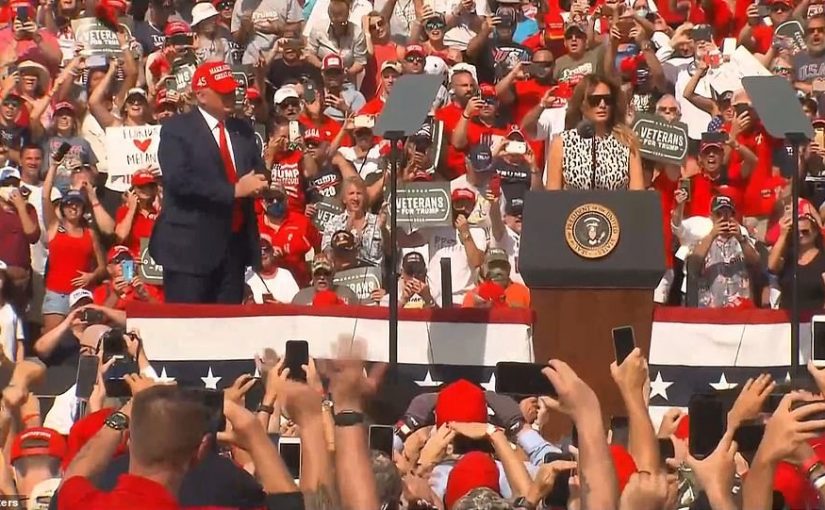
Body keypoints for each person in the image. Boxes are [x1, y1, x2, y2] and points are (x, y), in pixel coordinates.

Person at [150, 61, 269, 304]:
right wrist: (233, 190)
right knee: (189, 321)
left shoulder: (242, 129)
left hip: (233, 249)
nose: (231, 96)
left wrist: (264, 184)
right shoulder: (177, 129)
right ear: (202, 96)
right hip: (190, 250)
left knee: (227, 322)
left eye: (232, 90)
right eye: (223, 91)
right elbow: (179, 180)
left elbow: (257, 169)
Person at [546, 74, 644, 191]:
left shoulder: (627, 142)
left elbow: (637, 196)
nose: (602, 105)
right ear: (582, 104)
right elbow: (553, 195)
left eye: (607, 100)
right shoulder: (561, 143)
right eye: (594, 101)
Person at [688, 195, 761, 308]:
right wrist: (712, 235)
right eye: (719, 214)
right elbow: (693, 265)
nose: (724, 218)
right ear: (712, 217)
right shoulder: (703, 241)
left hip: (740, 308)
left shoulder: (743, 240)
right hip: (711, 310)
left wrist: (741, 238)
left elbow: (756, 263)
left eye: (728, 214)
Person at [321, 176, 386, 267]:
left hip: (372, 273)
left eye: (359, 193)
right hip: (344, 274)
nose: (355, 198)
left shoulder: (377, 221)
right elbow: (328, 255)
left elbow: (390, 252)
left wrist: (383, 229)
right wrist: (346, 233)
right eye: (351, 193)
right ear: (344, 199)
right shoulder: (333, 224)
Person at [768, 211, 825, 310]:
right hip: (786, 315)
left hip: (814, 315)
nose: (800, 235)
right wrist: (783, 234)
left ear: (815, 233)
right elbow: (771, 266)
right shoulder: (788, 257)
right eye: (796, 232)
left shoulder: (823, 259)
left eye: (805, 231)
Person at [114, 169, 160, 258]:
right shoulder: (124, 211)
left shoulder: (159, 212)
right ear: (133, 190)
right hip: (131, 261)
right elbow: (120, 237)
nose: (146, 189)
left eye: (150, 186)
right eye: (141, 186)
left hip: (154, 262)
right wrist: (132, 209)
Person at [462, 248, 530, 308]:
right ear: (484, 269)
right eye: (493, 266)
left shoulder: (523, 292)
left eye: (502, 266)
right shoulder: (474, 296)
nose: (498, 271)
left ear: (509, 268)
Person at [244, 235, 300, 304]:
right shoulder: (248, 277)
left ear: (272, 252)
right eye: (258, 251)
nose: (262, 253)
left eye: (266, 249)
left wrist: (279, 306)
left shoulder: (285, 274)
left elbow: (298, 305)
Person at [291, 254, 358, 304]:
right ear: (312, 275)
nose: (322, 277)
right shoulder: (300, 298)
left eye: (326, 273)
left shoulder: (347, 294)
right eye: (317, 273)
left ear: (333, 274)